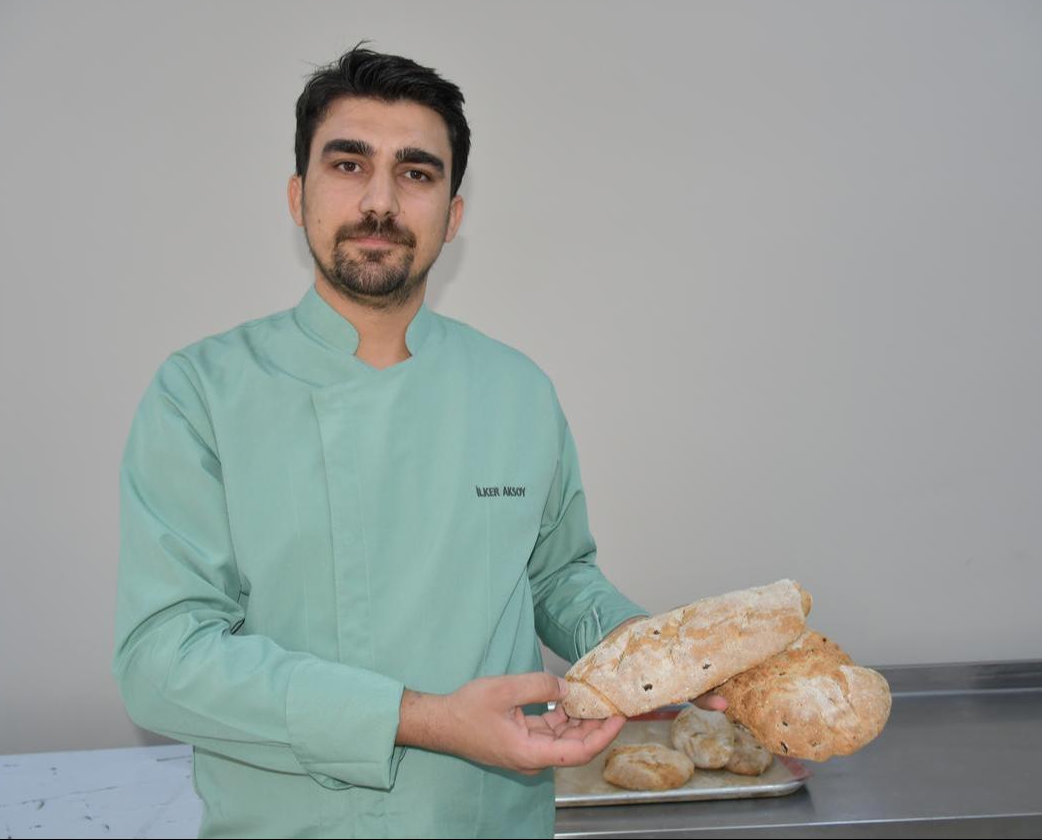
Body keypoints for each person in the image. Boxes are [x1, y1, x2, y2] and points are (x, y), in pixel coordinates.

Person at [112, 45, 722, 839]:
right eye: (347, 163)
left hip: (490, 821)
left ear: (452, 214)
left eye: (416, 172)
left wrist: (668, 656)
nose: (379, 200)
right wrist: (423, 718)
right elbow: (161, 661)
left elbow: (560, 578)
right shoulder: (201, 393)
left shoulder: (516, 390)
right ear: (299, 196)